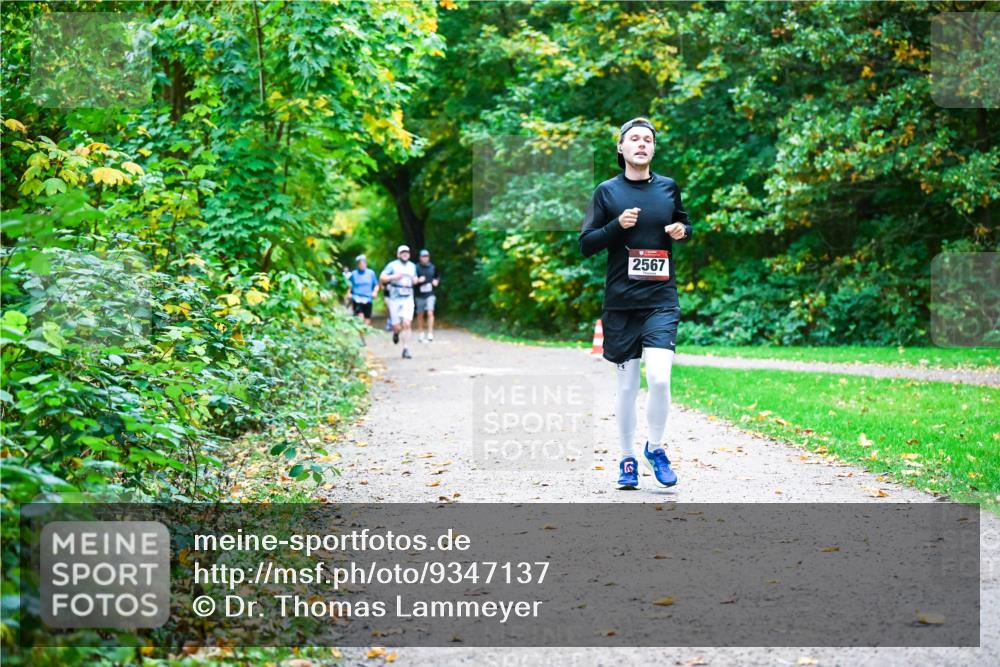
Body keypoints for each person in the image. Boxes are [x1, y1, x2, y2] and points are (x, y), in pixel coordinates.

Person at [579, 117, 693, 490]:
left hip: (661, 300)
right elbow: (586, 244)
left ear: (653, 149)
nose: (641, 144)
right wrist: (617, 227)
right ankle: (626, 458)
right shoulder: (606, 192)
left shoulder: (669, 189)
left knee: (660, 378)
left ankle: (655, 448)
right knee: (627, 387)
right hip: (621, 304)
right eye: (634, 139)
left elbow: (683, 224)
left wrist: (683, 231)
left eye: (647, 139)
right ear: (621, 148)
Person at [380, 245, 418, 359]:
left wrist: (415, 280)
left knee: (407, 323)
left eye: (407, 252)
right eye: (402, 252)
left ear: (409, 254)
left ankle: (406, 349)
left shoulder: (412, 266)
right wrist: (393, 277)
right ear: (398, 254)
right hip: (395, 298)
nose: (405, 254)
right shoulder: (392, 265)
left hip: (408, 297)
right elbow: (382, 278)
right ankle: (396, 332)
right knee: (397, 326)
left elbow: (415, 278)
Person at [347, 255, 379, 345]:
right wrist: (349, 293)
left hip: (368, 299)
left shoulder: (371, 273)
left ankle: (362, 334)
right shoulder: (353, 274)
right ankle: (361, 338)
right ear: (357, 265)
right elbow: (349, 285)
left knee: (367, 320)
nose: (362, 265)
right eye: (360, 263)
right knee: (360, 318)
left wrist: (375, 292)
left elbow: (376, 284)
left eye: (364, 263)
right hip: (357, 298)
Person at [414, 249, 440, 342]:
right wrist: (417, 280)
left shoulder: (432, 267)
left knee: (430, 312)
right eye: (423, 257)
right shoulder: (416, 268)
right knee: (420, 314)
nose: (425, 258)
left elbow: (437, 276)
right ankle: (421, 333)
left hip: (430, 294)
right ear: (420, 258)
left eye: (426, 257)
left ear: (428, 258)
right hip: (419, 294)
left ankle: (430, 333)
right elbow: (412, 279)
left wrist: (436, 281)